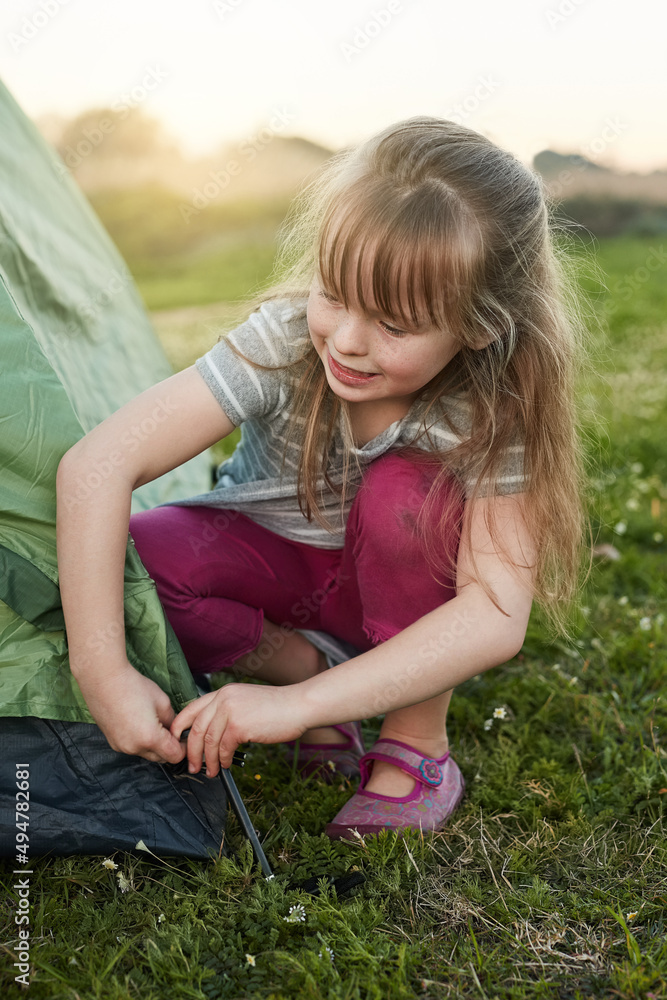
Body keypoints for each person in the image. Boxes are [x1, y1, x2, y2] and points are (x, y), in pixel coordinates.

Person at [56, 117, 587, 840]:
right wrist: (102, 671)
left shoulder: (492, 410)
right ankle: (315, 682)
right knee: (141, 558)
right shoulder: (279, 346)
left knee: (408, 502)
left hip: (403, 597)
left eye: (394, 325)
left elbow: (495, 613)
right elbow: (96, 465)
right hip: (279, 575)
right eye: (334, 294)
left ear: (479, 326)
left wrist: (295, 713)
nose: (345, 339)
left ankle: (413, 744)